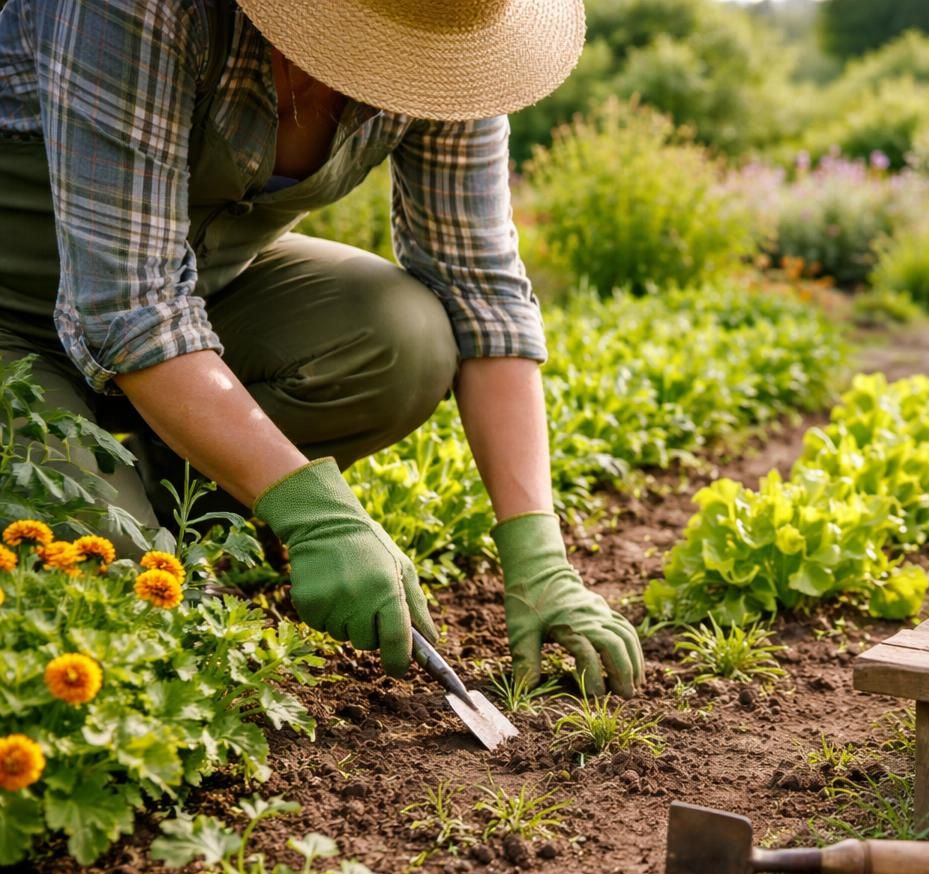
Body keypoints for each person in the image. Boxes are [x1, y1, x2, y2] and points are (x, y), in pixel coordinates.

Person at [0, 0, 644, 696]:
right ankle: (125, 500)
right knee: (99, 563)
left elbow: (480, 290)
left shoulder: (445, 38)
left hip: (199, 296)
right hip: (17, 316)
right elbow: (127, 305)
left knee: (402, 336)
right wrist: (312, 510)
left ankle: (164, 494)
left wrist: (539, 556)